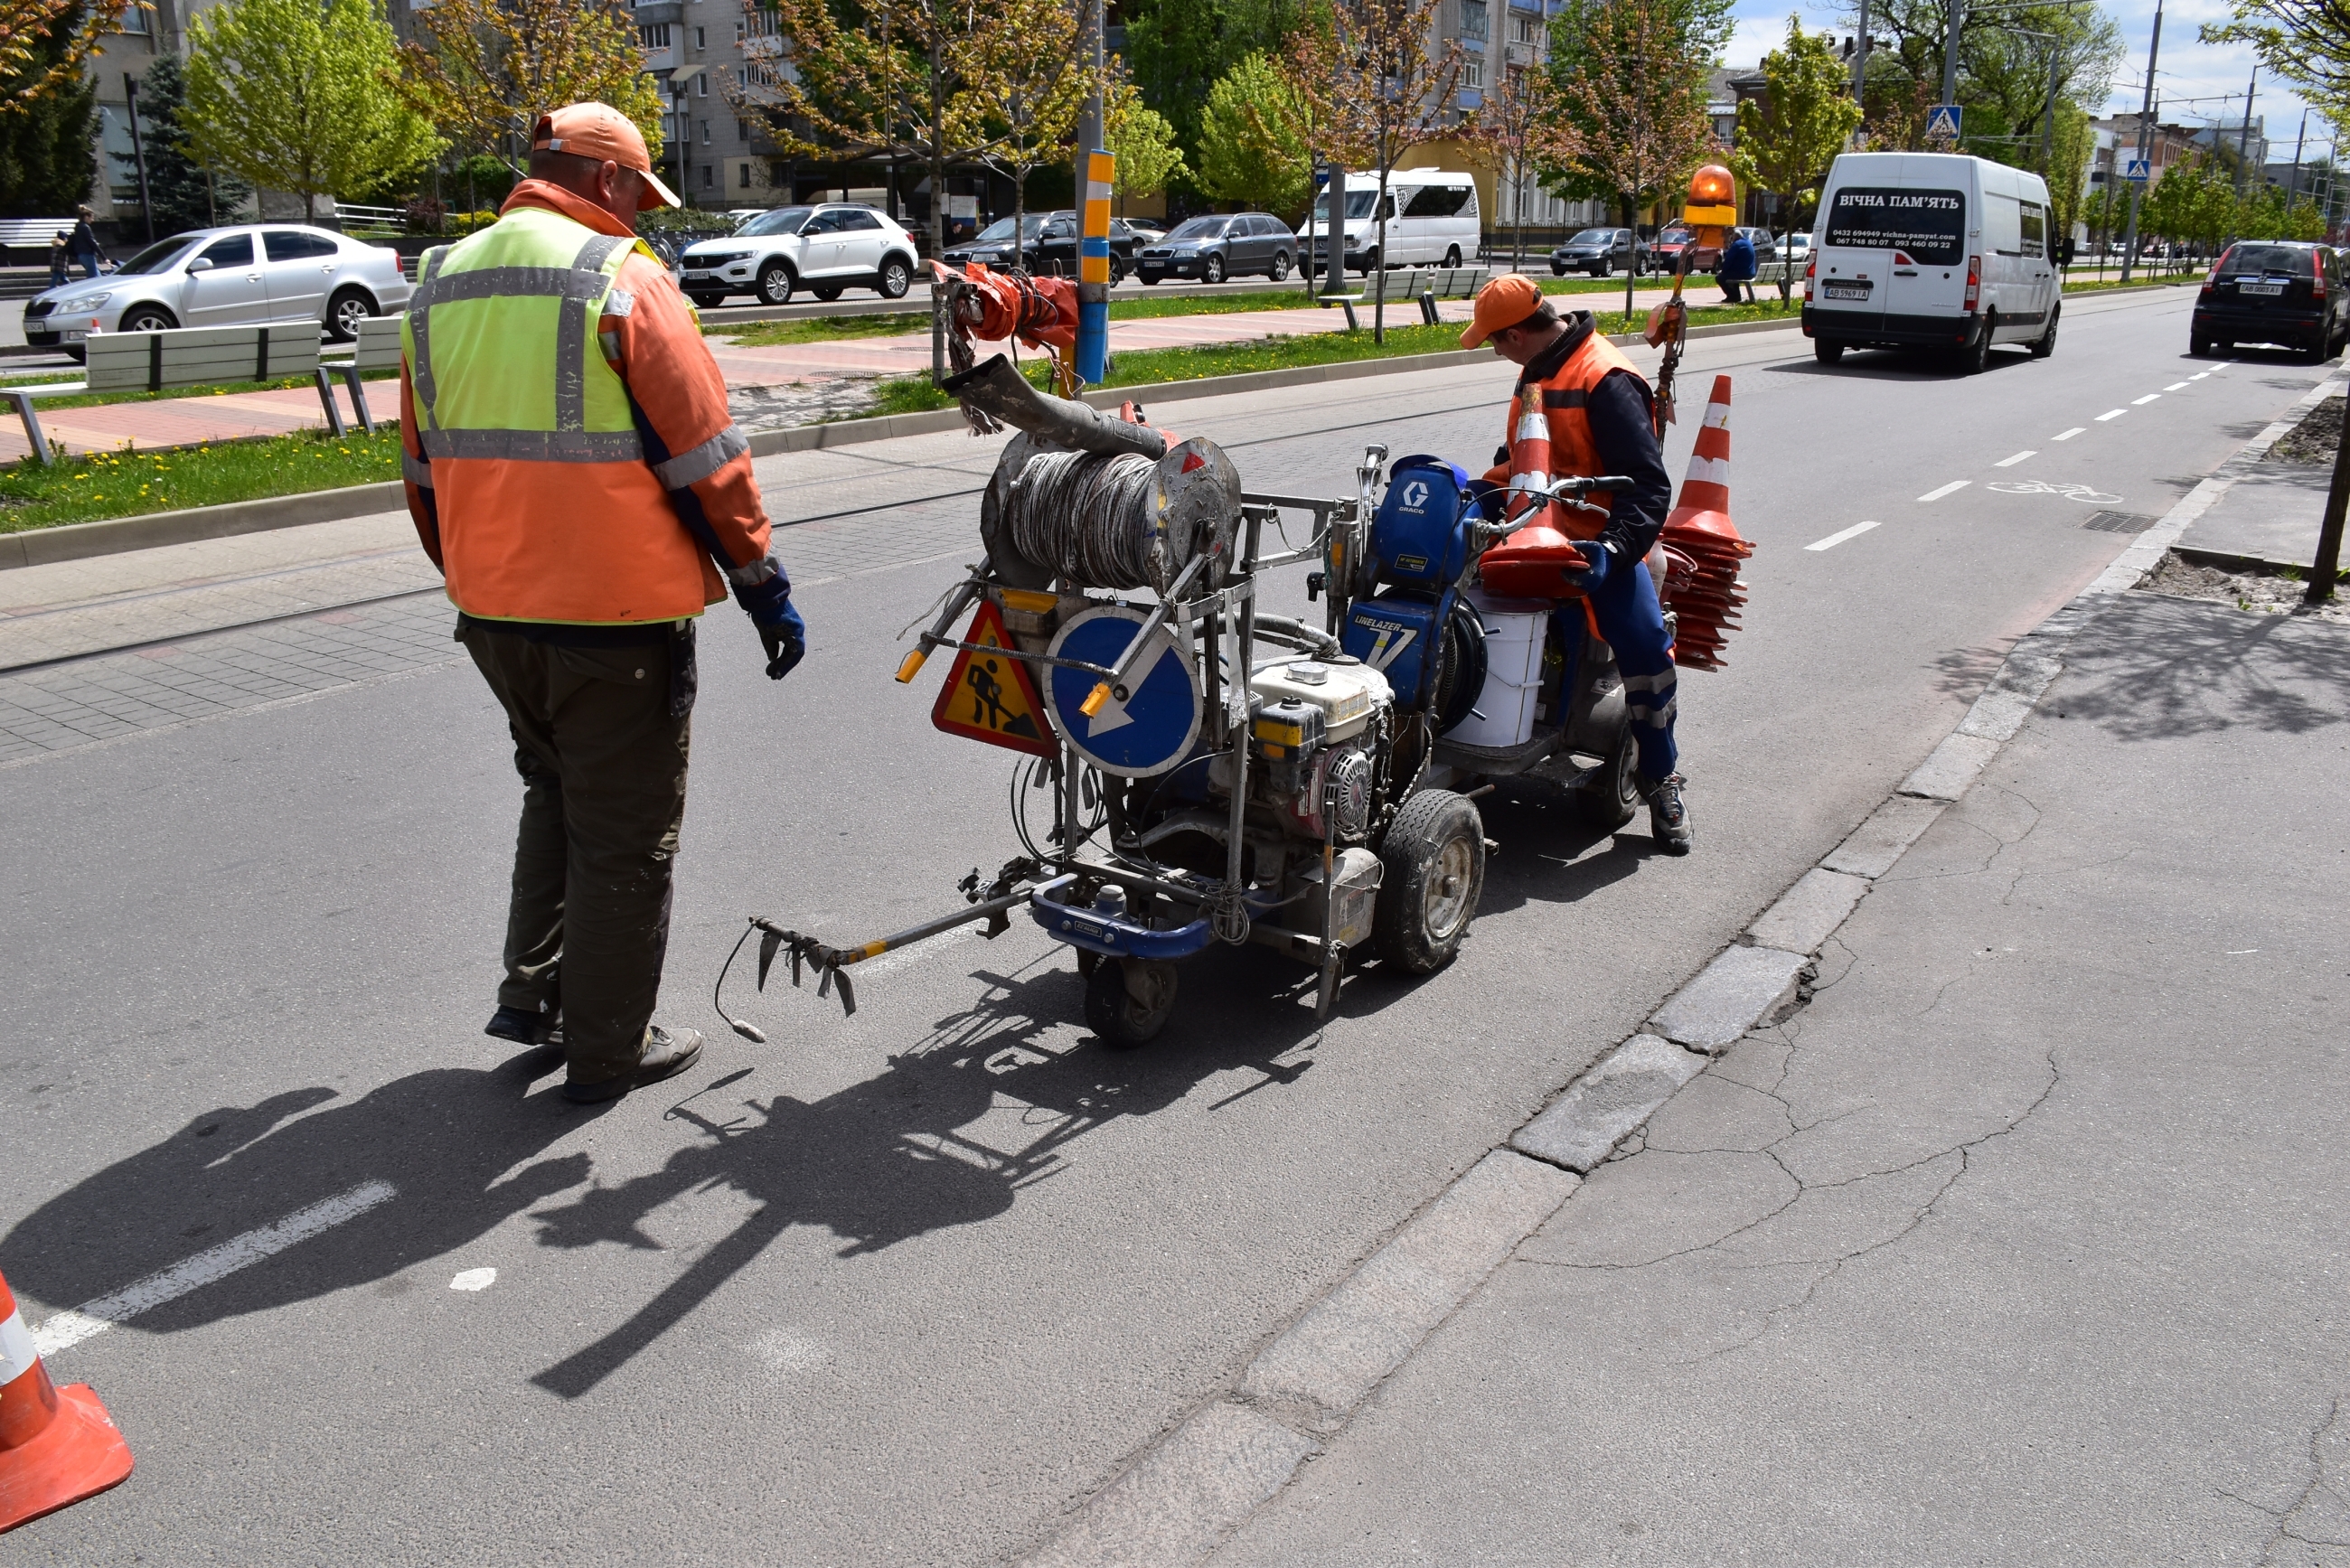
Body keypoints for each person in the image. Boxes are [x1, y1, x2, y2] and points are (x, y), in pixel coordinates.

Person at [398, 102, 807, 1103]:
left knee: (555, 790)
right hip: (614, 622)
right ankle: (608, 1047)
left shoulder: (439, 282)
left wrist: (471, 577)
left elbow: (419, 469)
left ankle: (534, 995)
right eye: (639, 195)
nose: (641, 217)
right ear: (609, 181)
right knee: (626, 837)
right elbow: (708, 458)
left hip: (494, 613)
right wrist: (761, 587)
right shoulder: (620, 282)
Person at [1462, 273, 1692, 853]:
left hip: (1593, 540)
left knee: (1642, 646)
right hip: (1525, 531)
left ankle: (1662, 780)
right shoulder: (1535, 368)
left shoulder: (1606, 378)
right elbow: (1519, 456)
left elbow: (1646, 488)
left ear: (1517, 334)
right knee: (1450, 607)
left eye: (1494, 340)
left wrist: (1613, 552)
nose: (1493, 350)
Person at [1716, 228, 1757, 304]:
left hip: (1742, 273)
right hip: (1750, 272)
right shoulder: (1748, 242)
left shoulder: (1737, 245)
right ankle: (1736, 296)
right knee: (1732, 275)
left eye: (1731, 236)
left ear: (1734, 236)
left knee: (1720, 278)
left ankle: (1732, 296)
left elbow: (1728, 260)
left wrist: (1723, 271)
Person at [68, 207, 99, 280]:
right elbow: (92, 242)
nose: (93, 220)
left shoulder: (78, 226)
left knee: (97, 276)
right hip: (88, 255)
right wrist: (104, 258)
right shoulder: (85, 227)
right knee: (94, 278)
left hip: (81, 255)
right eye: (91, 217)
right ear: (86, 217)